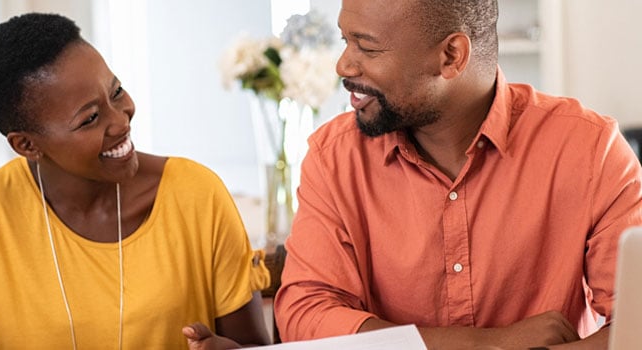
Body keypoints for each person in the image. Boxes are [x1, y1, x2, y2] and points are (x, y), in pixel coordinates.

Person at [0, 13, 271, 349]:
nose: (121, 120)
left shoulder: (197, 193)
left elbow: (254, 344)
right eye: (90, 118)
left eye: (116, 91)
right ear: (27, 145)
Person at [274, 0, 642, 349]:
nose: (344, 65)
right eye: (346, 41)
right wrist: (489, 344)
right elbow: (306, 315)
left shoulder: (591, 150)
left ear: (451, 56)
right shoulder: (334, 157)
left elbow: (635, 324)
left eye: (367, 49)